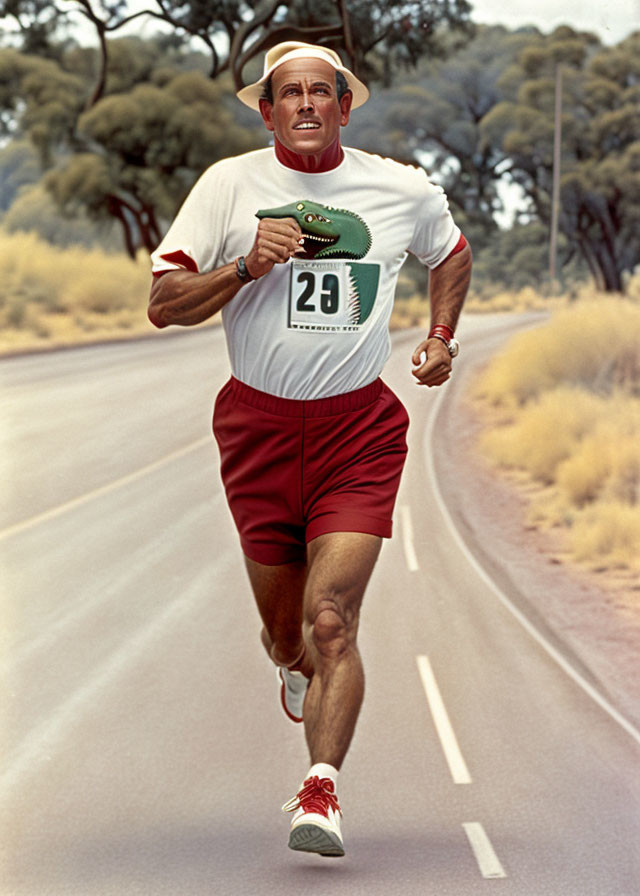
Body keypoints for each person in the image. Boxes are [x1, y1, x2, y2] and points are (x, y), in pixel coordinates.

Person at [148, 41, 472, 858]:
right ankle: (291, 665)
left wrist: (440, 337)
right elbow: (163, 303)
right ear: (266, 111)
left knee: (333, 622)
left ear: (344, 105)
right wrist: (243, 266)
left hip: (357, 431)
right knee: (289, 633)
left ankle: (321, 789)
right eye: (286, 94)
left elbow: (453, 252)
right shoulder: (229, 186)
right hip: (256, 430)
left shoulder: (399, 189)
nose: (303, 105)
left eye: (319, 93)